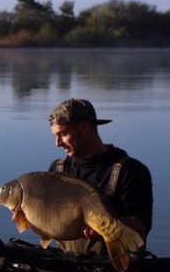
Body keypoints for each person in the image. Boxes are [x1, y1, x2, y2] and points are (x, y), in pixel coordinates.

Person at [47, 98, 153, 257]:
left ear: (84, 127)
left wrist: (102, 225)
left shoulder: (130, 171)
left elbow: (141, 228)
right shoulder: (57, 170)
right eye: (55, 136)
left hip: (115, 266)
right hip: (67, 264)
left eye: (63, 134)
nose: (57, 143)